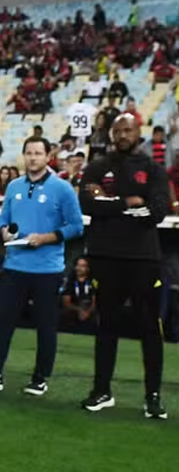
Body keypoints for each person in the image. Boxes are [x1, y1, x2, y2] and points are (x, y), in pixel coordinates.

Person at [0, 137, 84, 395]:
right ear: (24, 156)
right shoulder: (13, 187)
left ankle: (40, 378)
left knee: (45, 326)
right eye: (29, 153)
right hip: (14, 265)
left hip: (47, 269)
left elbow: (76, 226)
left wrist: (45, 238)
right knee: (3, 321)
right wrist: (4, 232)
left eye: (38, 153)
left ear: (48, 157)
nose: (33, 157)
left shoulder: (62, 188)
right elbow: (4, 219)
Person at [79, 114, 170, 418]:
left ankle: (152, 396)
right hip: (105, 258)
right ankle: (101, 391)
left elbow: (157, 210)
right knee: (107, 326)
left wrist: (111, 204)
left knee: (150, 329)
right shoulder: (96, 166)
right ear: (111, 133)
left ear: (138, 133)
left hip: (144, 260)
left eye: (128, 130)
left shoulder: (153, 169)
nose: (122, 134)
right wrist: (125, 203)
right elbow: (88, 205)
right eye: (117, 130)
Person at [60, 256, 97, 334]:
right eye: (78, 265)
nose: (79, 268)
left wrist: (88, 312)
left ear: (88, 268)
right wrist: (79, 310)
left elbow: (95, 301)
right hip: (74, 310)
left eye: (83, 266)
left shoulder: (93, 281)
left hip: (90, 310)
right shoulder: (69, 281)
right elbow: (66, 302)